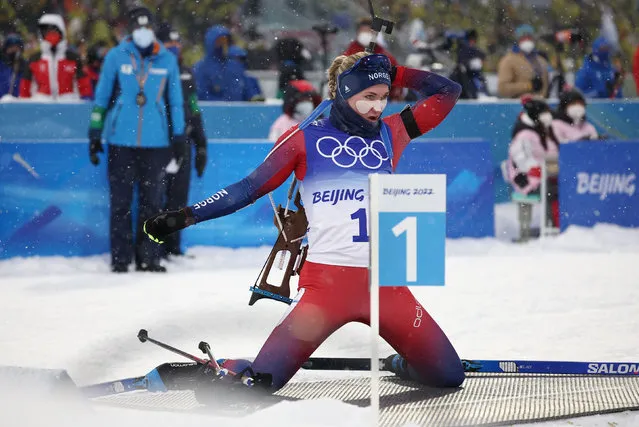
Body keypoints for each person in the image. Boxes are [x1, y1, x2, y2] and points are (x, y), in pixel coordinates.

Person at [143, 51, 465, 394]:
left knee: (448, 375)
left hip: (387, 286)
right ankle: (215, 370)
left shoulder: (391, 133)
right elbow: (249, 188)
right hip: (327, 289)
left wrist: (395, 73)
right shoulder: (304, 138)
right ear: (343, 92)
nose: (378, 108)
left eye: (384, 98)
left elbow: (448, 92)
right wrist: (188, 215)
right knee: (257, 384)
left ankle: (402, 362)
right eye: (368, 97)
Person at [87, 7, 186, 273]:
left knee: (152, 203)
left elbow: (176, 103)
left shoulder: (167, 60)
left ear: (154, 30)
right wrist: (95, 132)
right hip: (121, 142)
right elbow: (102, 98)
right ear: (130, 29)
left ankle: (149, 257)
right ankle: (121, 258)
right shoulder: (116, 56)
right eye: (137, 27)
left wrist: (178, 137)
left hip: (156, 144)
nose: (143, 32)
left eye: (147, 27)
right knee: (120, 202)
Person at [156, 22, 208, 257]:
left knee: (179, 198)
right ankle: (153, 248)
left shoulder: (187, 72)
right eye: (169, 42)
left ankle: (173, 247)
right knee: (155, 196)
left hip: (184, 143)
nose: (174, 47)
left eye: (177, 42)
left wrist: (202, 144)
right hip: (158, 143)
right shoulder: (154, 71)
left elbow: (194, 110)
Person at [507, 96, 559, 233]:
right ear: (536, 115)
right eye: (544, 113)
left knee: (559, 187)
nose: (548, 116)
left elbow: (552, 151)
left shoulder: (541, 130)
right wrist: (540, 168)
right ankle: (552, 227)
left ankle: (554, 225)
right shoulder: (524, 134)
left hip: (544, 177)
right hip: (526, 180)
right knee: (553, 191)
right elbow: (522, 160)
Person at [20, 14, 92, 101]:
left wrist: (85, 102)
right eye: (46, 31)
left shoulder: (73, 58)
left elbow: (84, 87)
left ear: (61, 32)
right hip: (40, 106)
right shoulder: (34, 59)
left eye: (54, 30)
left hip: (69, 105)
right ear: (41, 34)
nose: (51, 34)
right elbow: (25, 88)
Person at [343, 17, 402, 101]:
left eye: (369, 32)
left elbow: (396, 79)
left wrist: (395, 97)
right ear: (358, 33)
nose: (366, 34)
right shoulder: (348, 55)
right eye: (364, 31)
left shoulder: (385, 56)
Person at [193, 25, 257, 101]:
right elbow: (202, 94)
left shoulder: (235, 66)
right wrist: (223, 104)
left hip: (239, 111)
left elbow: (247, 88)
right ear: (211, 43)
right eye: (219, 41)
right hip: (213, 111)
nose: (223, 44)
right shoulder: (201, 68)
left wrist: (254, 97)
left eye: (226, 41)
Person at [497, 24, 549, 99]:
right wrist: (529, 86)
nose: (527, 40)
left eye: (529, 37)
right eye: (523, 38)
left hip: (540, 104)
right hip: (518, 105)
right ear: (517, 40)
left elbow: (546, 86)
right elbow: (502, 89)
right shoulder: (508, 60)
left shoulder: (541, 60)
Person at [449, 29, 490, 99]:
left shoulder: (477, 75)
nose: (473, 43)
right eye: (471, 40)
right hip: (464, 91)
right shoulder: (461, 71)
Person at [0, 32, 26, 98]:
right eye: (11, 47)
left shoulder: (25, 66)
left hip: (18, 104)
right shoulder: (2, 65)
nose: (14, 50)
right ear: (6, 49)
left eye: (17, 47)